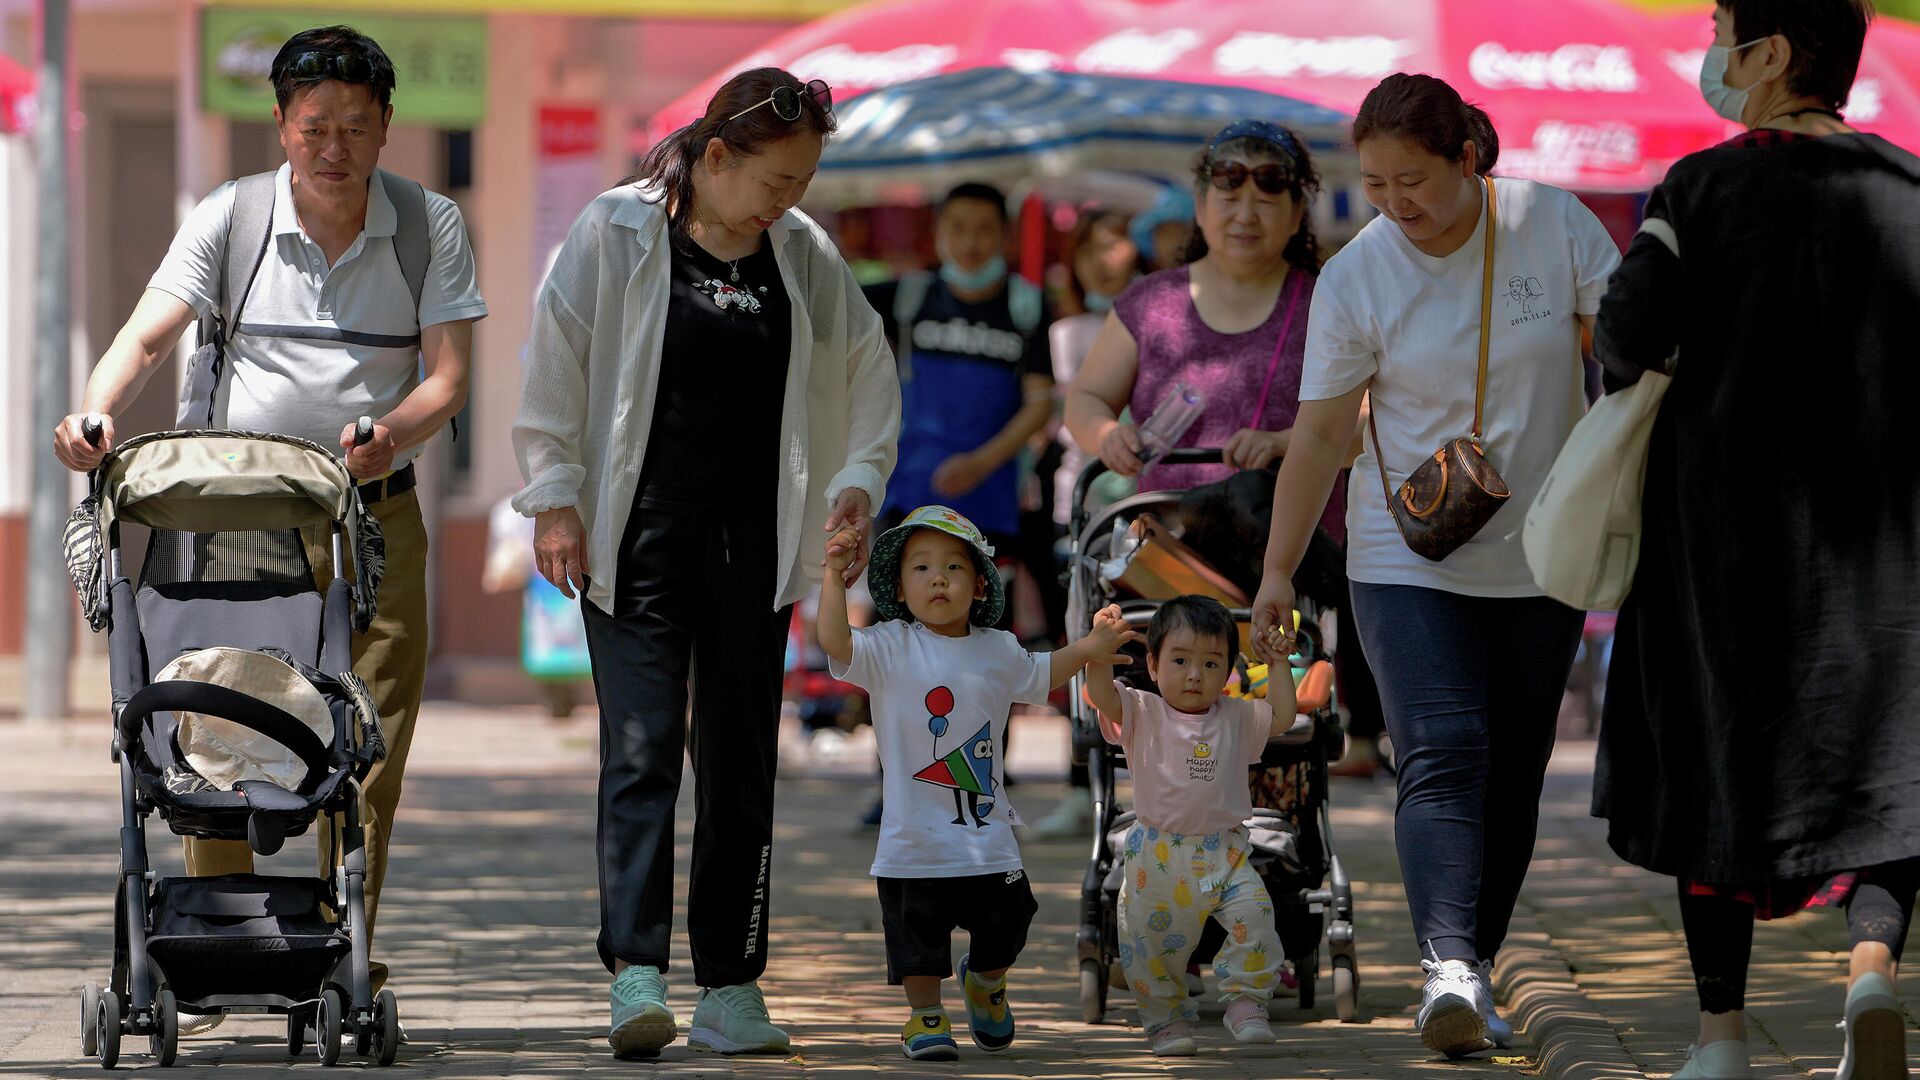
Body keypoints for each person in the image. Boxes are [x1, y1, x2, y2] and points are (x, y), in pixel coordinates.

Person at [51, 24, 484, 1033]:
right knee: (217, 721)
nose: (332, 144)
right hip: (238, 518)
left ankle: (348, 954)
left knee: (367, 744)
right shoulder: (231, 217)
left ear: (385, 129)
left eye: (354, 125)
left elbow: (449, 379)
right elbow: (146, 335)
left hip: (372, 517)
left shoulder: (428, 225)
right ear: (283, 124)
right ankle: (221, 942)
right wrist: (96, 412)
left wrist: (389, 436)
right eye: (313, 124)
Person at [510, 68, 899, 1058]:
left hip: (755, 550)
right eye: (776, 179)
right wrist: (554, 495)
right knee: (638, 754)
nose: (789, 199)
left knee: (738, 769)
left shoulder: (802, 253)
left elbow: (866, 364)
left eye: (804, 181)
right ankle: (635, 974)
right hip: (635, 542)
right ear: (717, 156)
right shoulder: (618, 230)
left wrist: (855, 478)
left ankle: (730, 984)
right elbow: (555, 357)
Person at [1248, 72, 1621, 1058]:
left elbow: (1626, 366)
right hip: (1404, 549)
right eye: (1373, 185)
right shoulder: (1360, 276)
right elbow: (1323, 433)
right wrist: (1279, 569)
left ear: (1469, 159)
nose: (1395, 204)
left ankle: (1476, 965)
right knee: (1445, 749)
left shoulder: (1554, 223)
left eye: (1412, 179)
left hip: (1547, 545)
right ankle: (1446, 967)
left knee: (1514, 771)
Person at [1589, 2, 1920, 1076]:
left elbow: (1628, 342)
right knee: (1891, 763)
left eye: (1724, 33)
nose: (1713, 58)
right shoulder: (1913, 191)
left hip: (1718, 548)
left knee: (1707, 767)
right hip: (1888, 551)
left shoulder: (1699, 189)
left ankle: (1722, 1037)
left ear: (1772, 56)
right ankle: (1872, 972)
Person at [815, 506, 1136, 1061]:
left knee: (1011, 919)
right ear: (898, 586)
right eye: (921, 568)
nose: (938, 578)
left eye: (954, 568)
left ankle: (986, 981)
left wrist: (1088, 648)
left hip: (986, 835)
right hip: (911, 840)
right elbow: (836, 642)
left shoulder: (997, 647)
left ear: (980, 585)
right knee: (917, 942)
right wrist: (831, 576)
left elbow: (1044, 672)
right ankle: (925, 1016)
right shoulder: (889, 646)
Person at [1085, 595, 1298, 1057]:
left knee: (1256, 918)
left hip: (1226, 852)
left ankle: (1246, 1002)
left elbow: (1282, 715)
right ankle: (1166, 1022)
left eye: (1210, 663)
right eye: (1180, 660)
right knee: (1150, 947)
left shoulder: (1236, 716)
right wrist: (1097, 653)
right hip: (1157, 858)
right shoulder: (1142, 710)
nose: (1195, 674)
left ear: (1228, 672)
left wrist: (1278, 663)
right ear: (1154, 666)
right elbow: (1100, 695)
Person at [1027, 206, 1138, 840]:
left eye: (1117, 241)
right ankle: (1082, 783)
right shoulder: (1063, 331)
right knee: (1079, 641)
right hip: (1081, 508)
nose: (1105, 258)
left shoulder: (1160, 325)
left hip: (1147, 509)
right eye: (1092, 246)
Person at [867, 182, 1054, 556]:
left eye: (984, 229)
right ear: (938, 231)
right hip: (906, 494)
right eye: (957, 227)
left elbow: (1041, 403)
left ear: (1005, 235)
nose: (970, 242)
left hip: (991, 503)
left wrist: (980, 464)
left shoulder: (1026, 307)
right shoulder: (907, 296)